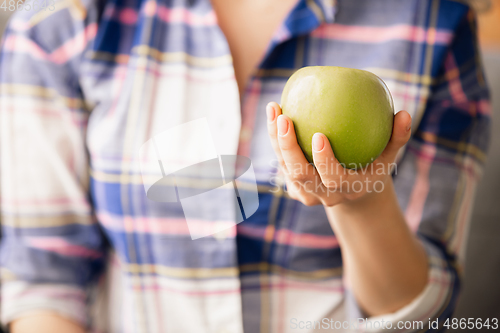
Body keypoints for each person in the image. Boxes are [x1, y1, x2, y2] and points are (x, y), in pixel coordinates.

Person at [0, 0, 491, 332]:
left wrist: (361, 201)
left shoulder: (432, 23)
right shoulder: (64, 22)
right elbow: (45, 278)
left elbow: (423, 310)